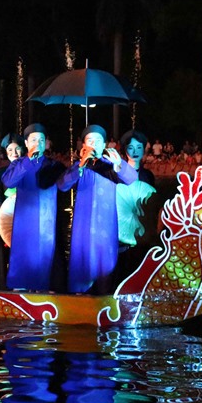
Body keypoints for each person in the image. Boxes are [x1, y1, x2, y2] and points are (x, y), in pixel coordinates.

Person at [57, 124, 138, 295]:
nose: (94, 144)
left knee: (105, 265)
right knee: (82, 262)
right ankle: (80, 297)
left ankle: (105, 298)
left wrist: (119, 163)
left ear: (104, 145)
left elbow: (132, 178)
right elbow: (62, 185)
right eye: (90, 140)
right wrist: (81, 164)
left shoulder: (111, 166)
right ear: (83, 145)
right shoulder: (79, 167)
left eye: (98, 141)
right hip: (83, 227)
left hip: (105, 228)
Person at [2, 123, 67, 292]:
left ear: (46, 143)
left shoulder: (54, 166)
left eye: (41, 140)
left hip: (47, 223)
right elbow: (8, 181)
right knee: (23, 265)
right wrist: (28, 161)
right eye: (33, 140)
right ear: (26, 143)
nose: (37, 143)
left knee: (46, 265)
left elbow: (65, 185)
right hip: (24, 225)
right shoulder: (19, 164)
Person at [114, 129, 160, 285]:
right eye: (131, 147)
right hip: (121, 232)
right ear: (124, 149)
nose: (135, 152)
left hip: (143, 231)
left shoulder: (148, 175)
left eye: (139, 147)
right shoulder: (116, 173)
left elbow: (152, 203)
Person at [0, 132, 25, 290]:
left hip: (26, 222)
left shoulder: (29, 170)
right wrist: (6, 216)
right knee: (3, 260)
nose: (14, 153)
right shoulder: (1, 173)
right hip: (6, 222)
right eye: (9, 150)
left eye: (17, 149)